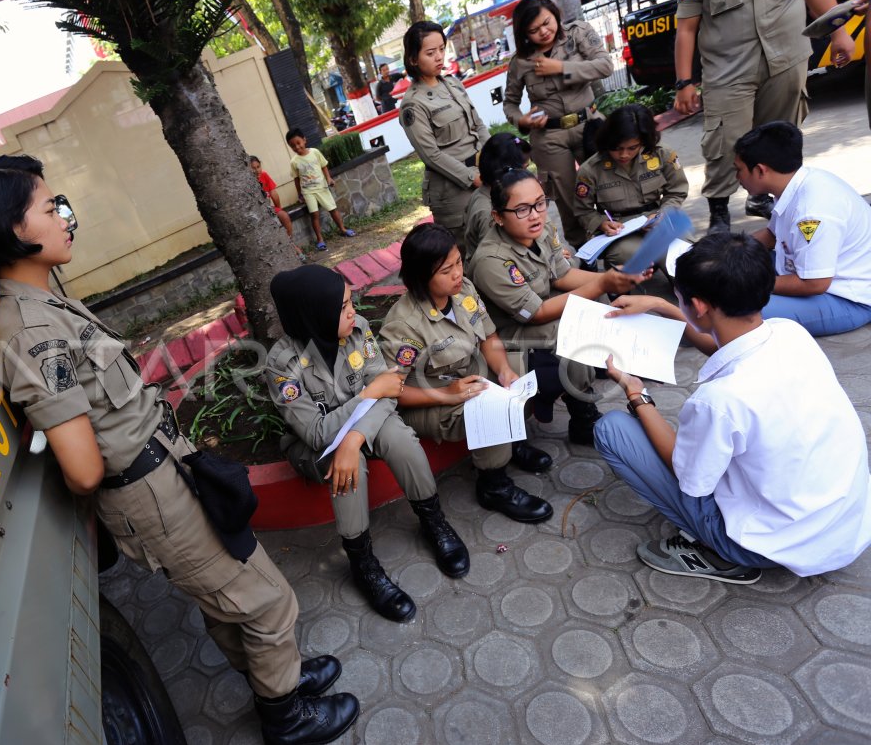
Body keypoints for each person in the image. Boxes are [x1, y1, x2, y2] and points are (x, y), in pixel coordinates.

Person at [0, 154, 357, 745]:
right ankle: (286, 717)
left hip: (166, 468)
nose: (64, 216)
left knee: (228, 594)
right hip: (148, 491)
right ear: (11, 230)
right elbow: (82, 468)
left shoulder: (45, 303)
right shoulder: (28, 331)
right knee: (266, 600)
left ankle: (279, 675)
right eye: (49, 206)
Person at [595, 231, 871, 583]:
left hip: (771, 546)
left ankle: (723, 554)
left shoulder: (720, 401)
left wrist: (637, 395)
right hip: (844, 521)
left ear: (698, 306)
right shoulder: (790, 332)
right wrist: (662, 307)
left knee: (613, 430)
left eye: (678, 299)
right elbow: (724, 344)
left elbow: (689, 478)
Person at [264, 265, 471, 623]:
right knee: (347, 468)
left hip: (364, 426)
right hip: (317, 447)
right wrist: (368, 396)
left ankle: (433, 521)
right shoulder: (282, 365)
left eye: (350, 302)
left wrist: (356, 435)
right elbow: (316, 433)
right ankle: (363, 563)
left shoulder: (357, 330)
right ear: (314, 313)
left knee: (399, 439)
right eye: (342, 307)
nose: (352, 312)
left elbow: (389, 394)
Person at [379, 223, 554, 524]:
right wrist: (446, 395)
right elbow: (394, 390)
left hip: (471, 378)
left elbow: (488, 337)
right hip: (430, 400)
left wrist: (505, 371)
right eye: (446, 270)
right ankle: (494, 485)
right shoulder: (403, 325)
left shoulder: (464, 291)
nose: (458, 273)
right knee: (488, 409)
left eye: (458, 262)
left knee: (527, 371)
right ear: (422, 276)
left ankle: (511, 445)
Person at [468, 169, 649, 444]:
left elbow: (562, 275)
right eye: (522, 209)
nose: (535, 215)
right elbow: (535, 314)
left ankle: (603, 372)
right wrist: (602, 283)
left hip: (540, 313)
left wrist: (613, 280)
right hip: (511, 334)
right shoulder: (490, 260)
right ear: (498, 217)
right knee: (570, 329)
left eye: (540, 204)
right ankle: (581, 415)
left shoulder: (541, 230)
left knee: (598, 302)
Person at [673, 0, 854, 230]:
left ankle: (769, 200)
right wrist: (684, 82)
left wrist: (839, 34)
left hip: (787, 59)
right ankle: (719, 213)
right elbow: (687, 26)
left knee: (780, 135)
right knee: (724, 140)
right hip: (727, 69)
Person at [732, 121, 871, 335]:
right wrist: (726, 252)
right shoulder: (795, 183)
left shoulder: (812, 211)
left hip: (846, 298)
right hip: (805, 271)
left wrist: (749, 284)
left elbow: (814, 284)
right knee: (729, 268)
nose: (736, 178)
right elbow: (771, 235)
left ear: (760, 170)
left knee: (729, 310)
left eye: (739, 170)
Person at [503, 0, 613, 250]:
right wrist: (523, 120)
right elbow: (510, 103)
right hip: (549, 138)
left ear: (555, 13)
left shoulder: (578, 34)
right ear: (524, 34)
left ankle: (617, 249)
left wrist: (561, 68)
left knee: (607, 188)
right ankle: (586, 258)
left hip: (590, 125)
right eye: (533, 30)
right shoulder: (520, 62)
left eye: (546, 22)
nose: (543, 32)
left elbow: (605, 65)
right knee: (569, 201)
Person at [399, 20, 491, 236]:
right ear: (413, 58)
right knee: (469, 254)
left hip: (483, 172)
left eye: (441, 49)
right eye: (430, 53)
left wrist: (492, 158)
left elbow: (477, 124)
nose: (439, 57)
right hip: (454, 189)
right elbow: (431, 155)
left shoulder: (452, 83)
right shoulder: (413, 105)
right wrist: (472, 178)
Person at [572, 104, 689, 269]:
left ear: (644, 141)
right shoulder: (590, 169)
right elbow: (583, 210)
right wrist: (601, 223)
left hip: (657, 219)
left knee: (686, 257)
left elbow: (676, 191)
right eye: (617, 148)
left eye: (632, 148)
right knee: (627, 255)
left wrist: (663, 214)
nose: (624, 154)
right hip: (620, 228)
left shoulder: (663, 155)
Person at [463, 132, 533, 258]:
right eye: (524, 169)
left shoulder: (486, 191)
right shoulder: (489, 212)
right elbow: (498, 258)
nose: (526, 174)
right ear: (507, 171)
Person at [287, 127, 356, 251]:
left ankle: (342, 229)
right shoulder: (294, 162)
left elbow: (324, 166)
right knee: (315, 214)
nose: (297, 147)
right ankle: (320, 239)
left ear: (304, 140)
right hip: (308, 192)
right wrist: (300, 194)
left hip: (322, 187)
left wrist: (329, 179)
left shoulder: (315, 152)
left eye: (298, 143)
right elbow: (296, 179)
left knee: (333, 209)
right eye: (293, 146)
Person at [249, 155, 299, 257]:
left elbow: (274, 194)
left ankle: (290, 242)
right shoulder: (248, 183)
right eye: (253, 168)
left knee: (284, 216)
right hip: (256, 213)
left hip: (268, 209)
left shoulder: (264, 175)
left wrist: (278, 209)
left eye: (258, 166)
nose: (257, 170)